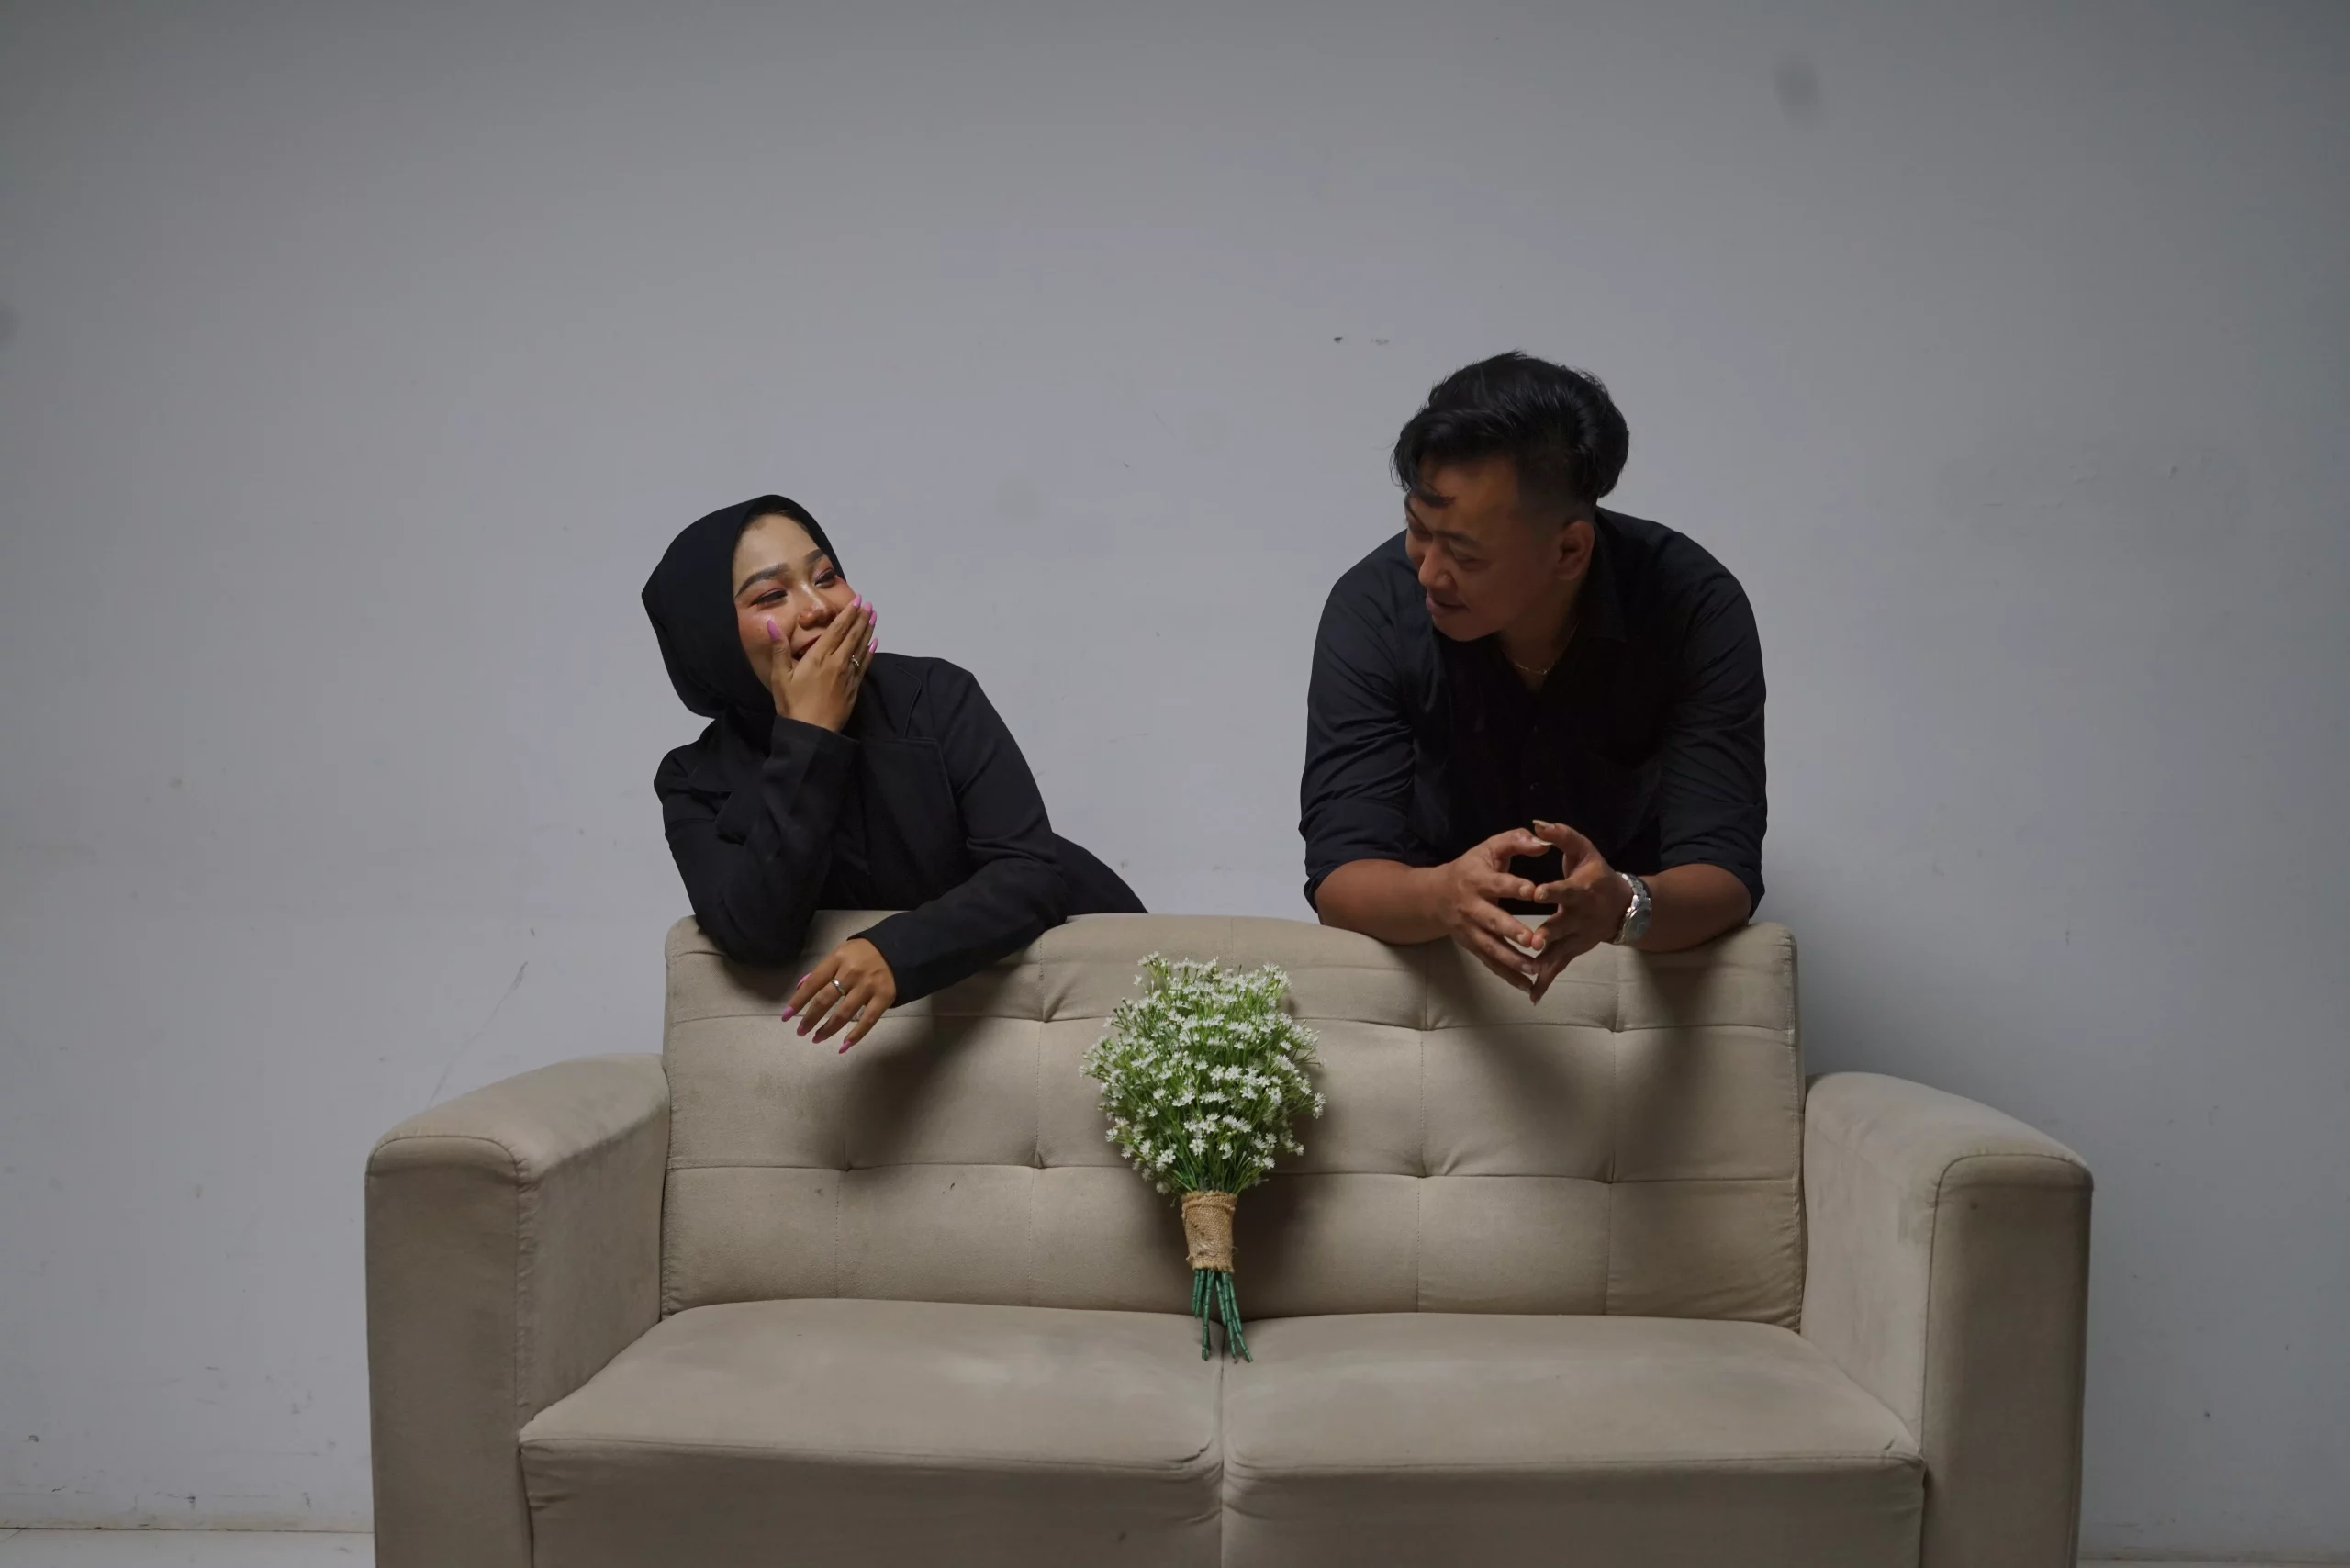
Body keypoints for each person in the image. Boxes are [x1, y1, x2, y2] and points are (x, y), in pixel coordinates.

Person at [1301, 353, 1765, 1001]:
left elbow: (1724, 875)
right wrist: (1443, 895)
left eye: (1465, 554)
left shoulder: (1691, 605)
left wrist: (1623, 904)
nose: (1428, 572)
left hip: (1632, 967)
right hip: (1428, 958)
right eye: (1417, 530)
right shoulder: (1373, 606)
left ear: (1569, 549)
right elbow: (1341, 875)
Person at [644, 494, 1143, 1050]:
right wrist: (809, 738)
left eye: (826, 577)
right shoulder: (692, 780)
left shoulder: (936, 695)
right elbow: (757, 935)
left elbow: (1030, 874)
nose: (818, 607)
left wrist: (895, 951)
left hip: (1093, 978)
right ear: (710, 636)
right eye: (771, 595)